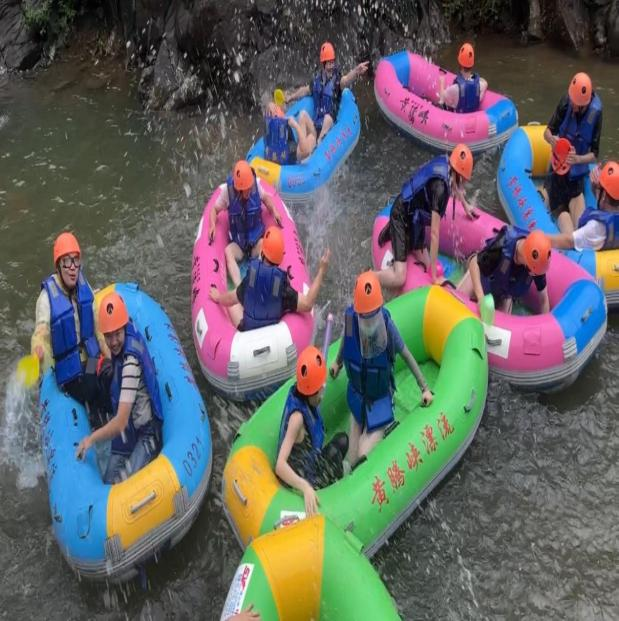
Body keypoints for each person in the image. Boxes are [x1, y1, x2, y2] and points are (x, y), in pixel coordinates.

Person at [330, 272, 433, 465]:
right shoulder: (351, 321)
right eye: (365, 317)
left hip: (379, 399)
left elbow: (406, 355)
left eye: (372, 316)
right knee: (350, 457)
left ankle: (385, 427)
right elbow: (346, 341)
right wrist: (337, 362)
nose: (369, 323)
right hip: (358, 395)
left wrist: (424, 388)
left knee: (362, 455)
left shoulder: (387, 326)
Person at [76, 292, 163, 484]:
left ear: (124, 327)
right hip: (128, 433)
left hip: (145, 434)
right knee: (108, 481)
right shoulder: (117, 347)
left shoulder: (130, 363)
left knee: (120, 486)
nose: (113, 341)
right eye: (108, 336)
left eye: (117, 334)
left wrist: (91, 439)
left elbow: (121, 422)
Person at [31, 232, 109, 421]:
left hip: (90, 358)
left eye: (75, 260)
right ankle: (96, 420)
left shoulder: (83, 285)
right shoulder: (46, 299)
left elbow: (96, 324)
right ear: (58, 266)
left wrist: (108, 354)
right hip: (69, 370)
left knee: (107, 375)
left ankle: (110, 415)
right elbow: (40, 333)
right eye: (67, 262)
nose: (73, 267)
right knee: (90, 386)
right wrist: (37, 351)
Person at [376, 143, 476, 289]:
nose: (465, 183)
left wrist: (466, 205)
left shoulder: (448, 164)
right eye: (464, 179)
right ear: (459, 176)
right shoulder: (440, 190)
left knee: (428, 263)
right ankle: (367, 277)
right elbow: (434, 234)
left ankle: (410, 242)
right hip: (401, 216)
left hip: (415, 220)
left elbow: (455, 185)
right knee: (399, 278)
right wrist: (434, 276)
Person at [209, 226, 330, 331]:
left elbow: (230, 299)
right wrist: (321, 271)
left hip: (247, 331)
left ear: (262, 252)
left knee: (235, 301)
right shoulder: (282, 286)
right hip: (273, 333)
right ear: (281, 256)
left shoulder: (251, 276)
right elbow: (308, 304)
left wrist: (218, 297)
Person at [275, 346, 349, 516]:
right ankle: (339, 489)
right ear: (312, 392)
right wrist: (305, 487)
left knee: (342, 440)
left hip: (311, 463)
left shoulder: (303, 395)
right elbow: (280, 465)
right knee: (334, 454)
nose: (323, 394)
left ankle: (341, 472)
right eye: (321, 389)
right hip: (302, 477)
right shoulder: (297, 419)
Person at [543, 72, 603, 233]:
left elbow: (594, 154)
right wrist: (552, 140)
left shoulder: (595, 113)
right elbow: (546, 132)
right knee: (565, 223)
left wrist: (577, 159)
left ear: (586, 104)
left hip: (576, 178)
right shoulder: (566, 101)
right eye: (572, 101)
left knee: (581, 228)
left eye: (577, 104)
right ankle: (555, 206)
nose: (573, 105)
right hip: (557, 174)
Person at [209, 160, 283, 287]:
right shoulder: (228, 192)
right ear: (238, 188)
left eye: (249, 187)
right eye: (245, 189)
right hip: (239, 244)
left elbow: (266, 198)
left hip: (256, 241)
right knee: (228, 252)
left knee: (266, 246)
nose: (248, 191)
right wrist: (212, 225)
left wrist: (275, 211)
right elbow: (214, 210)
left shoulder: (255, 185)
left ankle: (256, 283)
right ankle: (239, 288)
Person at [284, 41, 369, 148]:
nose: (331, 66)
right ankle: (301, 145)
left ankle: (319, 143)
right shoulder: (317, 81)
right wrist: (290, 98)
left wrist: (356, 71)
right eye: (329, 63)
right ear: (323, 64)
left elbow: (346, 80)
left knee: (328, 118)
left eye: (332, 63)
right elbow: (304, 90)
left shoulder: (337, 81)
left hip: (329, 125)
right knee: (303, 114)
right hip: (316, 125)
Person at [457, 227, 552, 314]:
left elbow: (543, 300)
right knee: (458, 304)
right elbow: (475, 263)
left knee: (500, 322)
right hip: (482, 276)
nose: (534, 274)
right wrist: (481, 298)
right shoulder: (502, 246)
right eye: (532, 271)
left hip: (503, 293)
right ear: (526, 258)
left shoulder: (538, 263)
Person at [550, 160, 619, 251]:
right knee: (576, 199)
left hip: (579, 250)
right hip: (602, 247)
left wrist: (543, 239)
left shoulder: (596, 227)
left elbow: (569, 241)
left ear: (603, 196)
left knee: (564, 216)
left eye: (599, 189)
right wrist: (596, 188)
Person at [439, 42, 488, 113]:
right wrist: (474, 78)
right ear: (472, 64)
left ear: (460, 63)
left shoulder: (454, 89)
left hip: (457, 117)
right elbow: (485, 82)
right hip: (473, 116)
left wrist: (442, 80)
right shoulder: (480, 85)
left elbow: (442, 100)